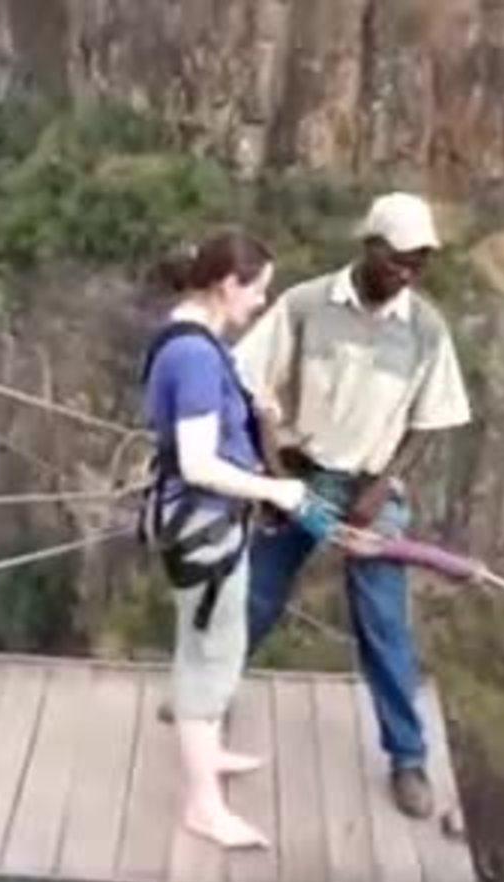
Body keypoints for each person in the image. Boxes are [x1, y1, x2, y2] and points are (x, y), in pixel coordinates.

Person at [234, 193, 472, 819]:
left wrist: (383, 485)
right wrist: (274, 475)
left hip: (371, 484)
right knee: (255, 595)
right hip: (302, 473)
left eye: (419, 264)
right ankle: (208, 694)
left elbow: (429, 422)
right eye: (398, 260)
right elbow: (254, 385)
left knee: (383, 624)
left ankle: (408, 759)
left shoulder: (426, 330)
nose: (408, 274)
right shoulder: (306, 305)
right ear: (370, 247)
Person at [142, 229, 339, 849]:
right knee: (211, 658)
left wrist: (256, 412)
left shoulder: (193, 339)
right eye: (258, 290)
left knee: (204, 646)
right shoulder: (197, 357)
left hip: (204, 522)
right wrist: (277, 491)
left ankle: (207, 754)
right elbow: (199, 462)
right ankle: (204, 806)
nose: (261, 302)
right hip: (205, 525)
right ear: (229, 285)